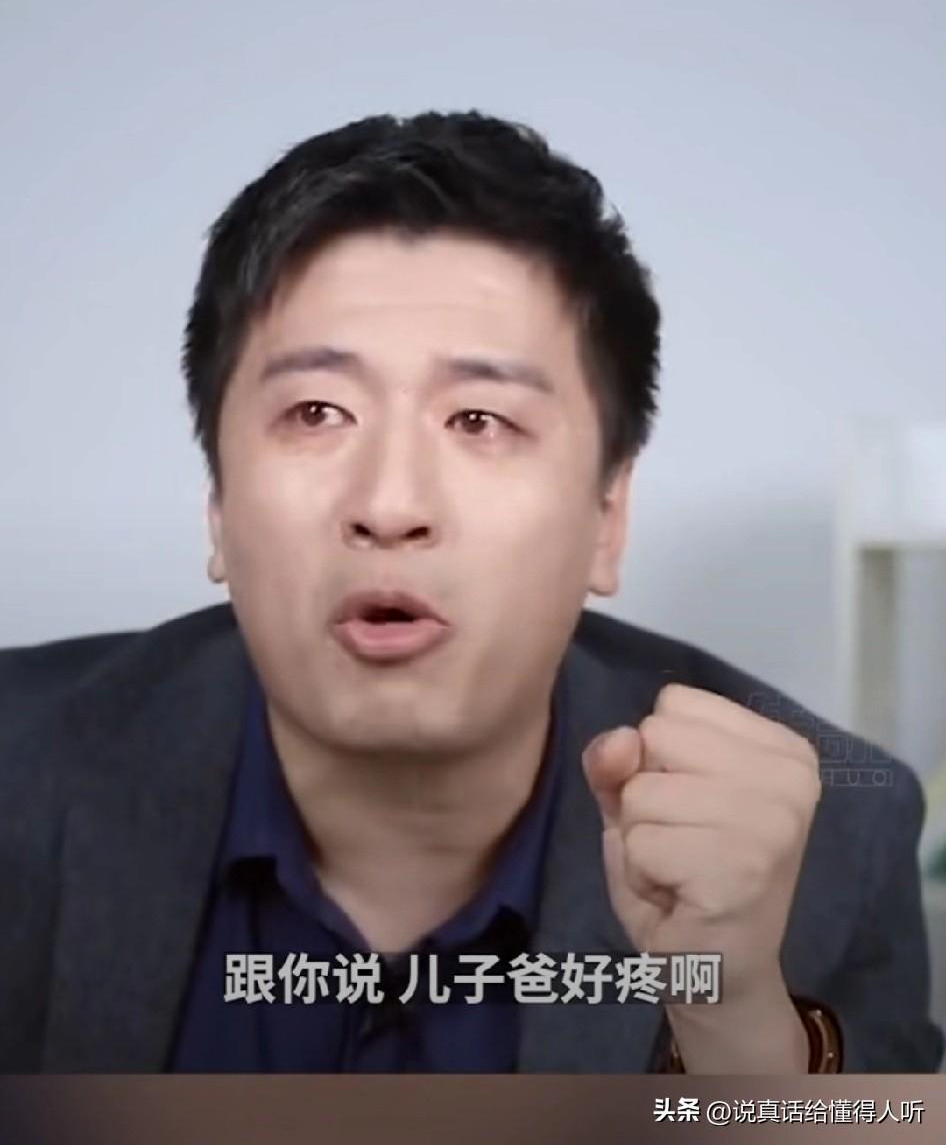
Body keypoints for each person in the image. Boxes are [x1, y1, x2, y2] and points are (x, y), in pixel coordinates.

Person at [0, 110, 940, 1075]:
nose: (390, 504)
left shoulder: (824, 843)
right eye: (317, 411)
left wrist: (737, 1024)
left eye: (481, 419)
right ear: (218, 502)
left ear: (607, 517)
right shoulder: (19, 773)